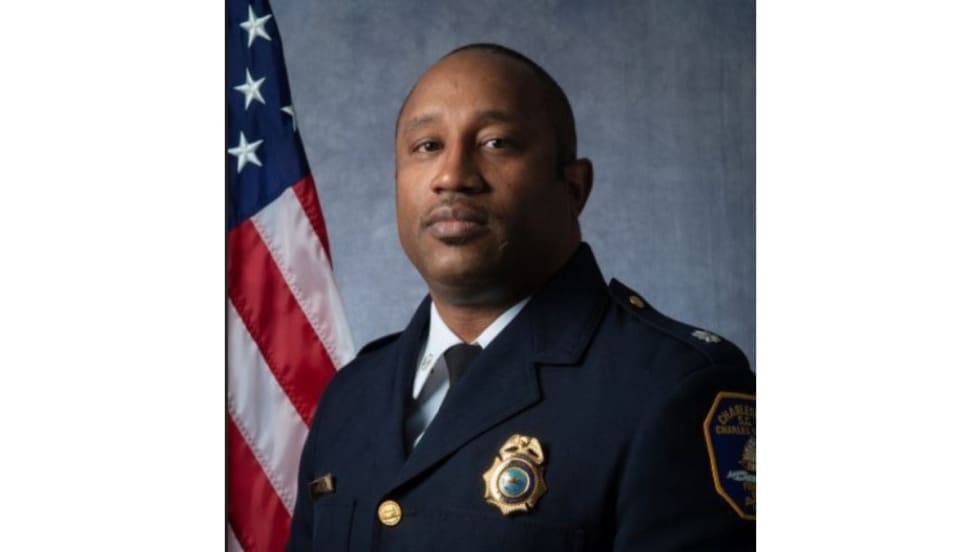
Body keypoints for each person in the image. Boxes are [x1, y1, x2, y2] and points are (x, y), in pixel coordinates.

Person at [287, 43, 755, 551]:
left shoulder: (678, 388)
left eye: (496, 142)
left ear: (573, 188)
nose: (452, 176)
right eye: (427, 146)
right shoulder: (352, 396)